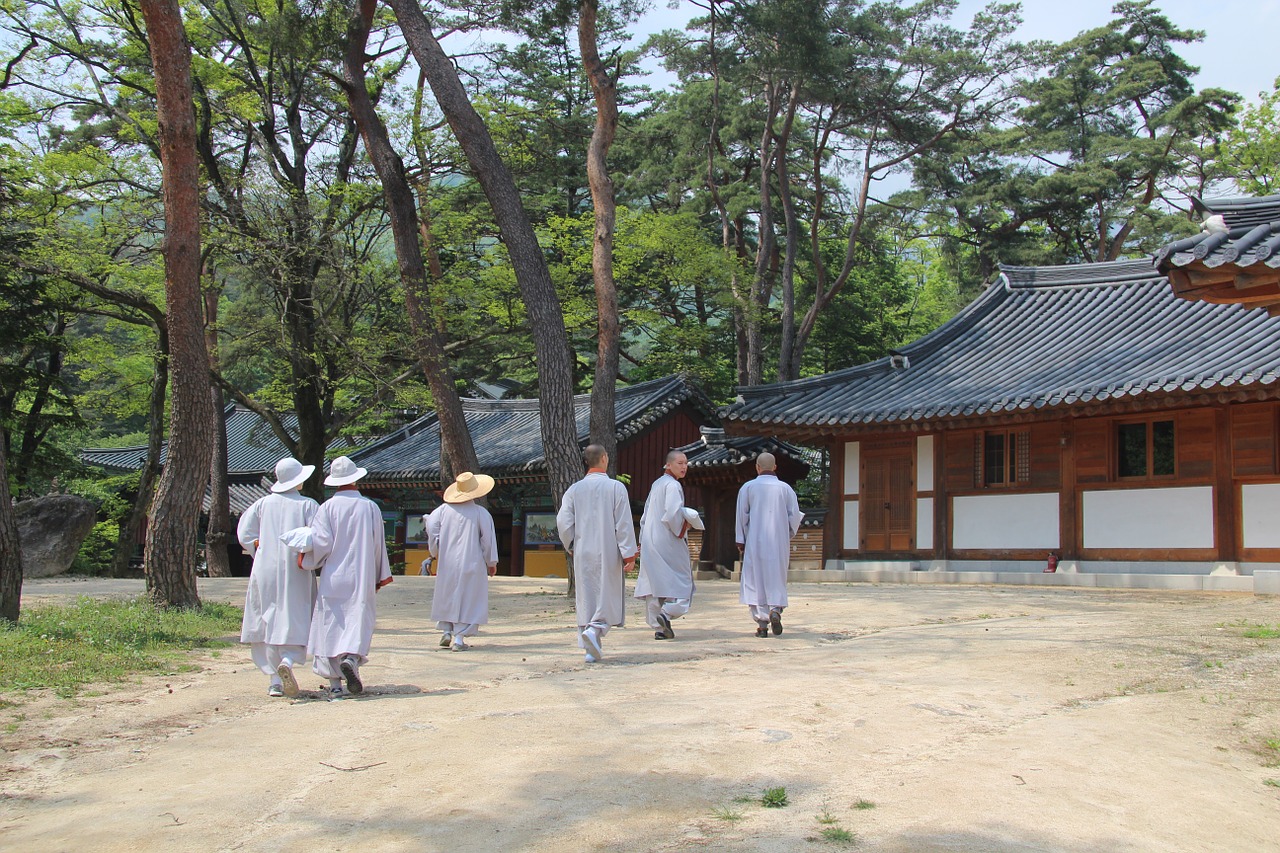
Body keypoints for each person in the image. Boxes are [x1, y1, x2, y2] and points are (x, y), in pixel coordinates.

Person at [301, 456, 393, 697]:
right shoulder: (369, 507)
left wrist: (308, 559)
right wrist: (378, 575)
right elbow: (377, 545)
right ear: (356, 479)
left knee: (330, 622)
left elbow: (321, 542)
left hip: (334, 574)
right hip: (361, 574)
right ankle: (350, 658)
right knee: (357, 618)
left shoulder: (326, 508)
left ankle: (334, 685)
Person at [237, 457, 318, 698]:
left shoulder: (262, 504)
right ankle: (289, 660)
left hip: (265, 567)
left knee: (266, 614)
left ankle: (273, 679)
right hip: (296, 567)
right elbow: (318, 536)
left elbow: (244, 533)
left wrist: (258, 547)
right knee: (296, 612)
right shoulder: (308, 505)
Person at [556, 444, 637, 663]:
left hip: (582, 549)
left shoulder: (574, 489)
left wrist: (571, 544)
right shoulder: (615, 487)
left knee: (587, 595)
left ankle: (590, 650)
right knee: (606, 594)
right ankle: (595, 630)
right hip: (607, 548)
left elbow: (563, 522)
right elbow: (624, 524)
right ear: (603, 458)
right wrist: (629, 554)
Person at [428, 471, 498, 651]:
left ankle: (446, 630)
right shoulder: (480, 513)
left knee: (448, 595)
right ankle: (459, 639)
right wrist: (491, 562)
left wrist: (436, 551)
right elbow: (487, 540)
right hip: (472, 561)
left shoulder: (442, 511)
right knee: (468, 598)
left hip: (447, 562)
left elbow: (431, 529)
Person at [736, 452, 804, 637]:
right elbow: (795, 516)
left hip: (755, 541)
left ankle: (762, 625)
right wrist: (787, 533)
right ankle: (775, 609)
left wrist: (740, 540)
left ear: (757, 467)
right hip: (778, 542)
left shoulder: (748, 488)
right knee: (776, 578)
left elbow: (742, 516)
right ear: (775, 467)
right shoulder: (785, 489)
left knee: (755, 580)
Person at [635, 450, 695, 640]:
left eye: (685, 463)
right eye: (679, 463)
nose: (684, 467)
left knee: (656, 584)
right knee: (684, 582)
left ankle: (659, 629)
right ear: (668, 465)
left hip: (650, 539)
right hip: (668, 540)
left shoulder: (657, 484)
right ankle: (667, 613)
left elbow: (645, 516)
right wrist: (684, 525)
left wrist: (641, 541)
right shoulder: (673, 485)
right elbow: (671, 514)